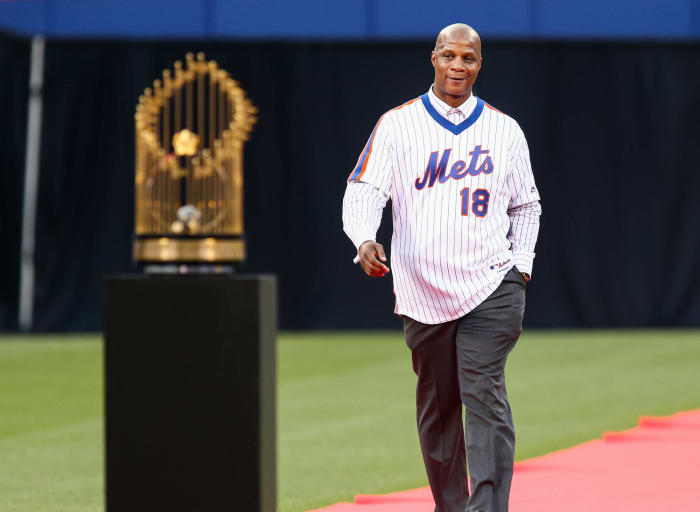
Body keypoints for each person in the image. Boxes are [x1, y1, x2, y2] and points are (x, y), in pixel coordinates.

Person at [341, 23, 541, 512]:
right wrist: (364, 237)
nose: (457, 65)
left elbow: (526, 205)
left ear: (479, 64)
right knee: (438, 410)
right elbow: (364, 188)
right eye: (449, 55)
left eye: (468, 58)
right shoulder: (397, 123)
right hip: (422, 291)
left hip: (492, 284)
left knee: (484, 394)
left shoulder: (503, 128)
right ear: (433, 58)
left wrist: (522, 265)